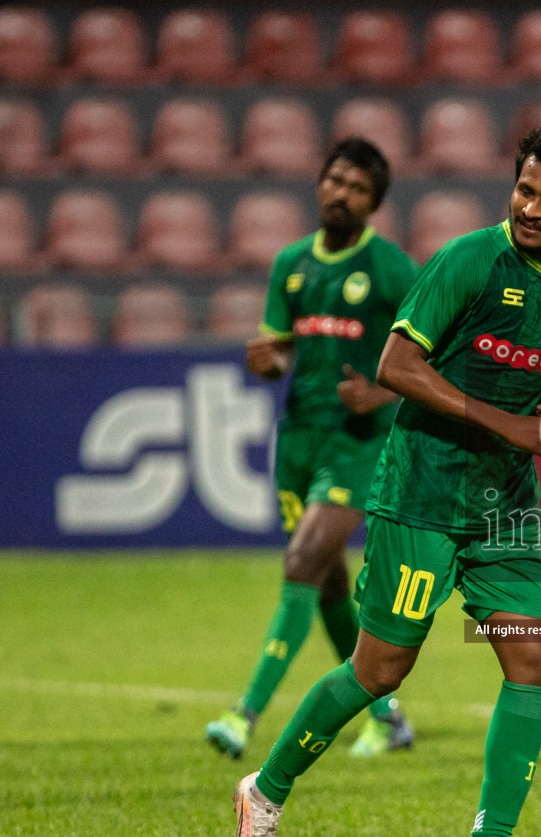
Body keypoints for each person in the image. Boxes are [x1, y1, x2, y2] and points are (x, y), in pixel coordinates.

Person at [231, 125, 541, 837]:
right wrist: (510, 426)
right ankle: (265, 792)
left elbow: (539, 366)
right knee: (380, 671)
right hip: (422, 493)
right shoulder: (469, 259)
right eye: (524, 188)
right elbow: (396, 365)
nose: (531, 206)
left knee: (535, 661)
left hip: (504, 503)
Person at [205, 138, 419, 761]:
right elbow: (279, 354)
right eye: (333, 180)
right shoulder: (291, 264)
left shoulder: (391, 269)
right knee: (327, 582)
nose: (339, 193)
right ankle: (387, 714)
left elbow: (434, 351)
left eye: (355, 187)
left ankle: (244, 715)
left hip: (358, 446)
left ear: (373, 202)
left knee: (301, 563)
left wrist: (381, 394)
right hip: (298, 440)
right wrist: (269, 362)